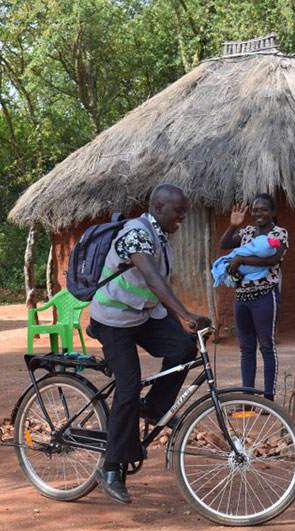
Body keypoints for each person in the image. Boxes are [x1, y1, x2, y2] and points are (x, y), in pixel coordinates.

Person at [88, 183, 210, 505]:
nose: (182, 218)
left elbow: (158, 286)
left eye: (185, 212)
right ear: (158, 207)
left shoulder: (162, 237)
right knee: (127, 388)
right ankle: (111, 468)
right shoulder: (136, 234)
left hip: (142, 316)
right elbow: (153, 279)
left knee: (184, 348)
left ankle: (154, 407)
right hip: (113, 320)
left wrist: (187, 319)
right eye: (178, 212)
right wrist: (184, 313)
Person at [218, 193, 288, 402]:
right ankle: (248, 398)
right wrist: (232, 225)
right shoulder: (247, 232)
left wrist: (240, 259)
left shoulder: (279, 234)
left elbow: (273, 259)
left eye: (264, 210)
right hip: (242, 298)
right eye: (255, 210)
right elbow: (224, 244)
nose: (259, 214)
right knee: (246, 349)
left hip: (265, 297)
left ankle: (268, 399)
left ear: (273, 212)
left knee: (266, 346)